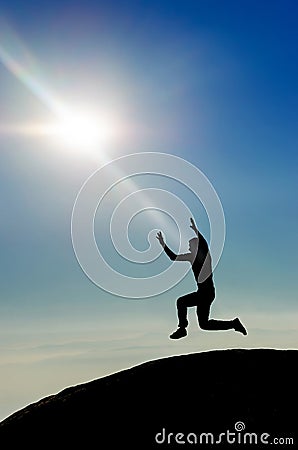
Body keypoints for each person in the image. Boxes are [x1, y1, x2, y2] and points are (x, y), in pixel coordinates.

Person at [156, 218, 247, 339]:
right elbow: (173, 257)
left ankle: (182, 328)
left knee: (181, 302)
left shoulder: (205, 257)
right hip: (203, 293)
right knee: (204, 324)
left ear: (196, 246)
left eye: (190, 246)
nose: (188, 248)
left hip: (207, 293)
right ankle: (234, 323)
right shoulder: (190, 257)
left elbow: (204, 244)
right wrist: (163, 245)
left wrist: (196, 231)